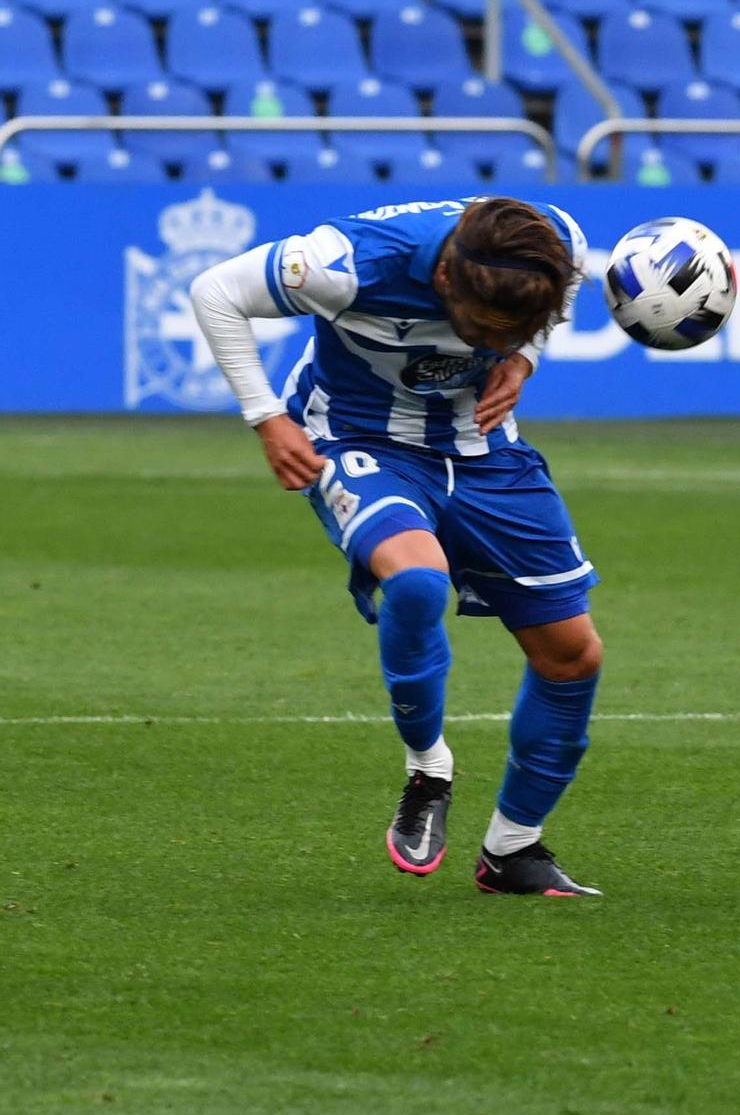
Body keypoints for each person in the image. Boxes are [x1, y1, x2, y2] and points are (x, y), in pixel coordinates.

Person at [189, 196, 604, 897]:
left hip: (483, 450)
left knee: (572, 655)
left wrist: (523, 360)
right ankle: (428, 769)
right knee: (416, 582)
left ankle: (513, 851)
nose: (488, 342)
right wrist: (265, 418)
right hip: (359, 438)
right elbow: (215, 290)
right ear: (445, 278)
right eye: (483, 329)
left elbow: (563, 279)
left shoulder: (551, 240)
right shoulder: (346, 263)